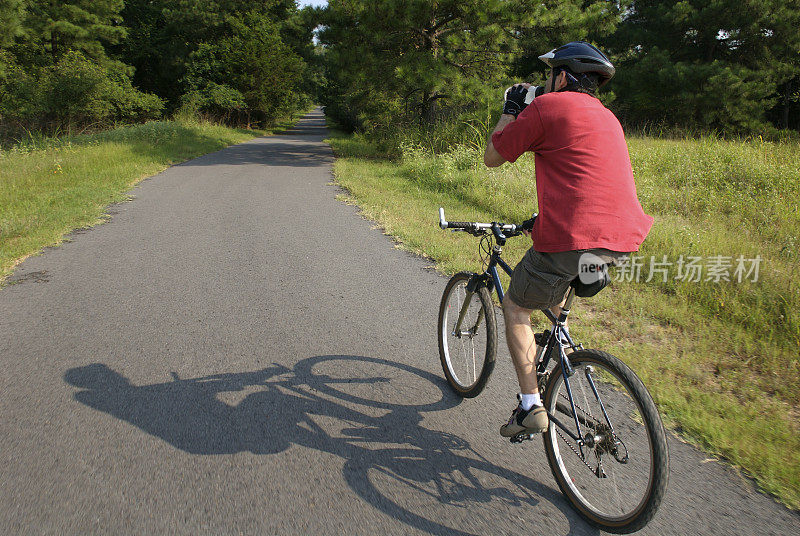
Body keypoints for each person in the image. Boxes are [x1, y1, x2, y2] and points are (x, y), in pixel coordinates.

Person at [483, 41, 654, 438]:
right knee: (558, 283)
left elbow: (493, 156)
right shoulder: (609, 118)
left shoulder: (546, 107)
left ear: (561, 76)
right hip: (621, 242)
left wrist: (513, 107)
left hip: (573, 240)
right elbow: (588, 179)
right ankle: (559, 358)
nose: (545, 83)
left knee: (515, 307)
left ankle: (530, 408)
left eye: (549, 76)